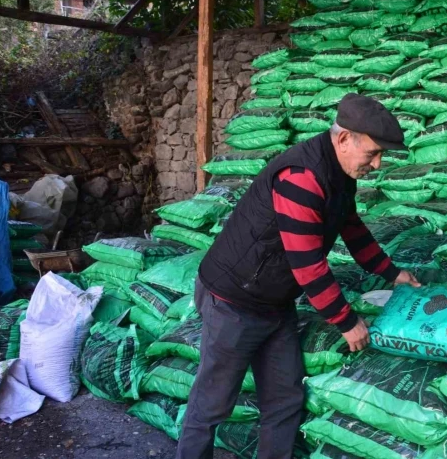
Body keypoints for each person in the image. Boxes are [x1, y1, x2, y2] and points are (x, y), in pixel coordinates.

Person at [176, 93, 421, 459]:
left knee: (285, 398)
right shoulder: (301, 177)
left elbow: (351, 229)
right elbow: (308, 265)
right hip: (234, 301)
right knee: (213, 403)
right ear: (343, 139)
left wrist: (392, 273)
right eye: (373, 153)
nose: (378, 163)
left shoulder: (340, 174)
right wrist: (346, 320)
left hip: (275, 301)